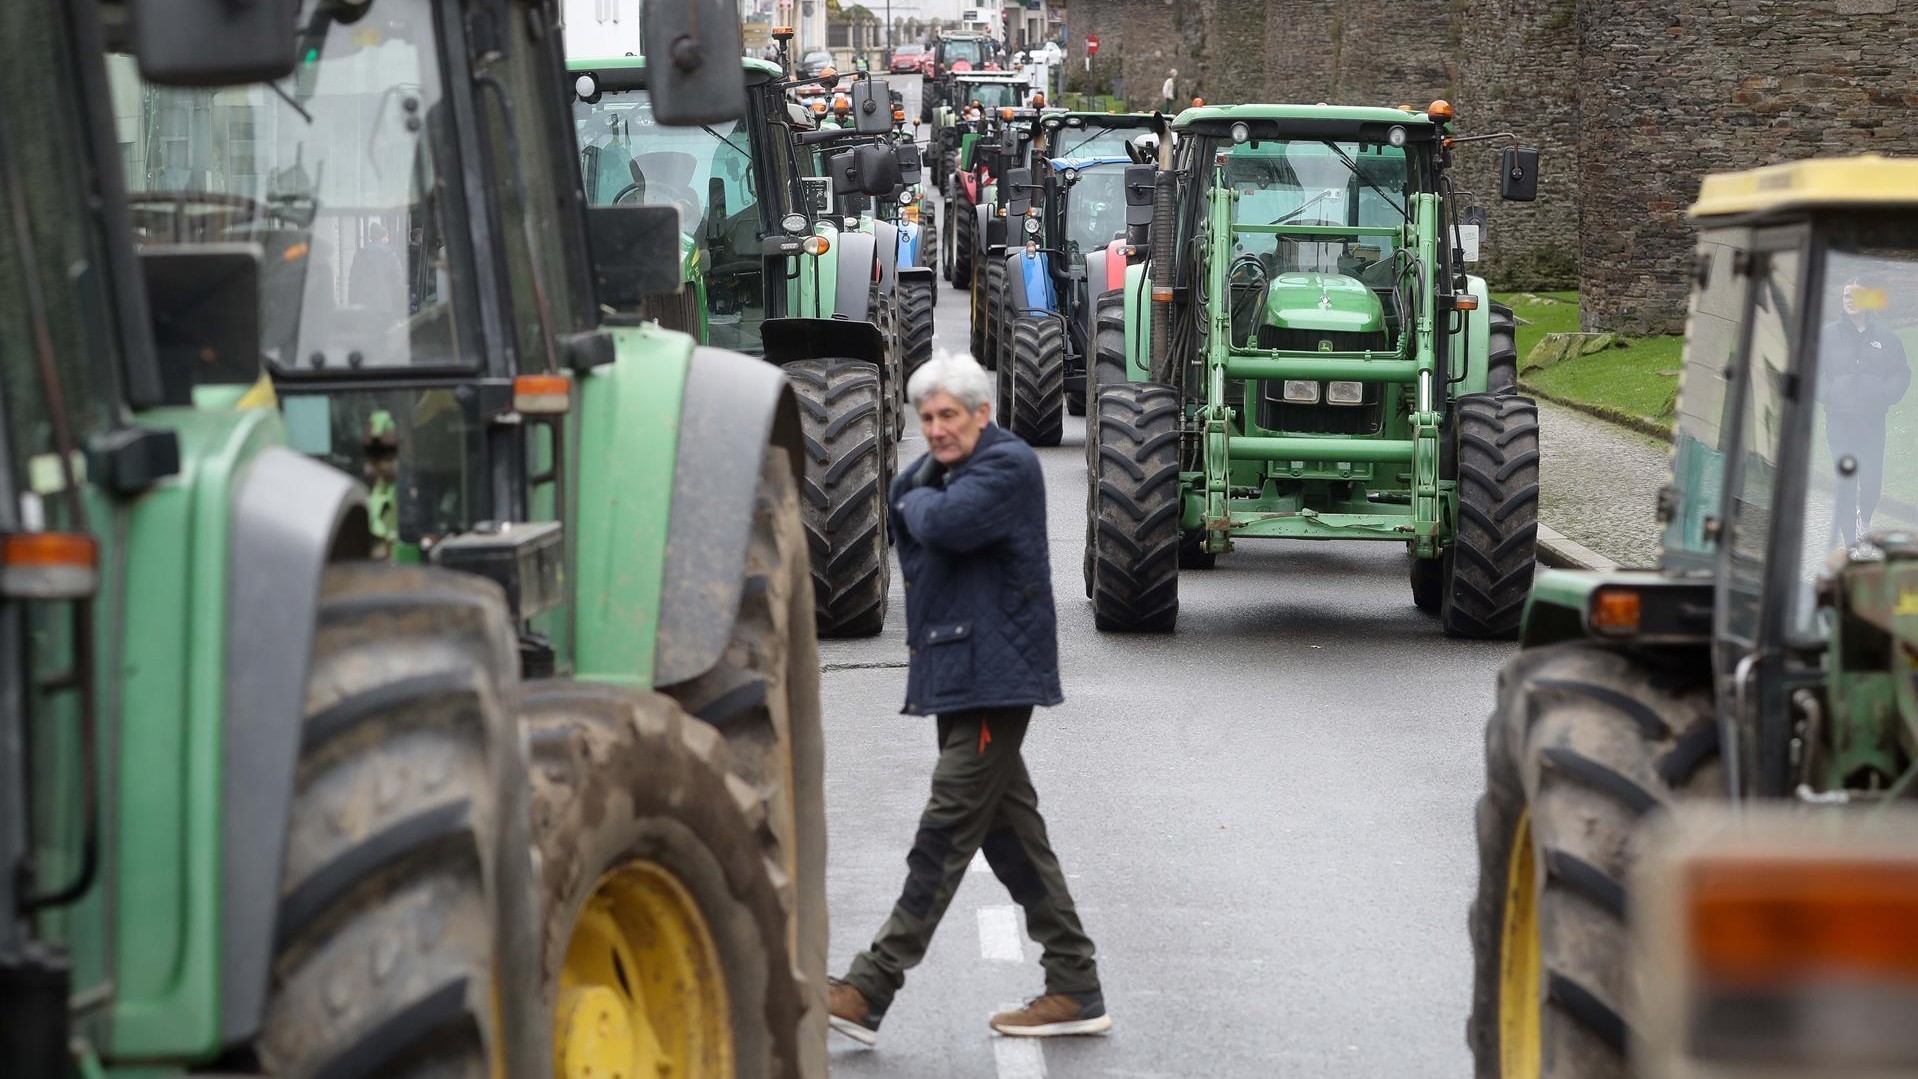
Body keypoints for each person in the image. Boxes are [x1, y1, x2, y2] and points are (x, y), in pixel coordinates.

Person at [827, 354, 1110, 1046]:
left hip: (993, 678)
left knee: (945, 829)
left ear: (982, 413)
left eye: (948, 415)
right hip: (961, 670)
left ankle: (870, 985)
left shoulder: (1006, 468)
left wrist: (913, 503)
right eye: (925, 418)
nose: (935, 429)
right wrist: (915, 503)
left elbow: (941, 524)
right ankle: (1074, 983)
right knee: (1011, 837)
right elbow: (912, 514)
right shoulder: (945, 472)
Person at [1820, 274, 1912, 550]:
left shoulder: (1887, 338)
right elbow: (1814, 372)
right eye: (1846, 295)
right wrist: (1830, 394)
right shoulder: (1828, 336)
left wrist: (1884, 395)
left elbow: (1901, 373)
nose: (1850, 301)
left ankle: (1865, 518)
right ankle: (1851, 544)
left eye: (1856, 296)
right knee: (1846, 483)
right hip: (1839, 422)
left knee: (1871, 483)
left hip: (1872, 423)